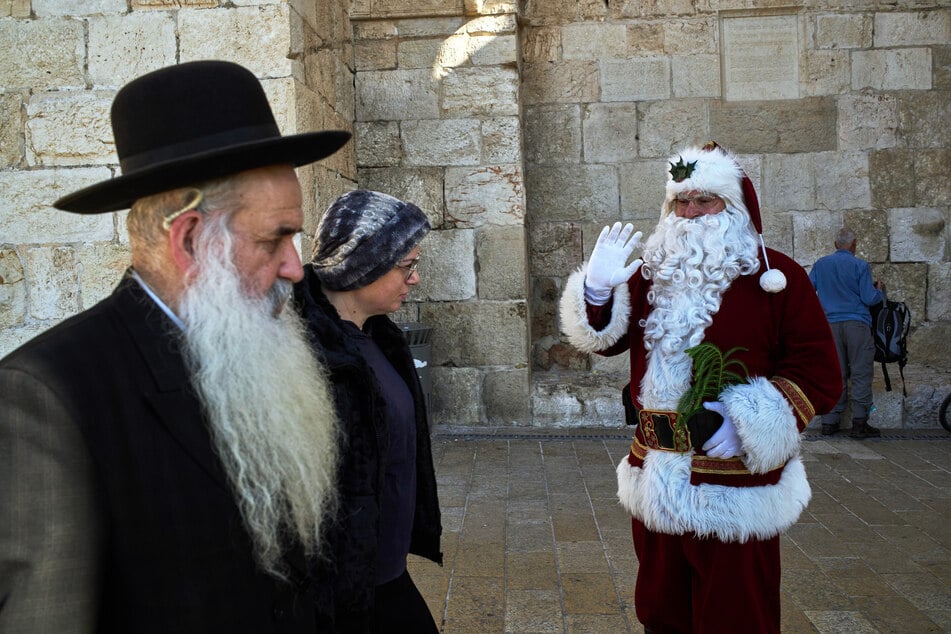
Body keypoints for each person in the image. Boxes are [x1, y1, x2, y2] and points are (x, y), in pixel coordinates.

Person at [0, 60, 351, 632]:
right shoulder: (48, 397)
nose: (295, 267)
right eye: (275, 239)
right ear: (189, 239)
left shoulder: (254, 353)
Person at [559, 142, 841, 632]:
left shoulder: (777, 277)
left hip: (736, 483)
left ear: (732, 207)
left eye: (703, 201)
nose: (689, 214)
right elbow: (605, 341)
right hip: (655, 474)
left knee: (736, 616)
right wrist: (598, 291)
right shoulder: (650, 274)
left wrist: (751, 422)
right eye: (679, 203)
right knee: (661, 612)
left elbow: (819, 372)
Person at [293, 190, 442, 633]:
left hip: (387, 569)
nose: (413, 279)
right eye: (406, 266)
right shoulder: (312, 354)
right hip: (350, 588)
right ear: (363, 266)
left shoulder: (380, 337)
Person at [809, 227, 886, 438]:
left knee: (835, 373)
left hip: (829, 326)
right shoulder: (860, 265)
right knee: (861, 372)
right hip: (856, 325)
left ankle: (829, 421)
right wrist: (879, 290)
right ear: (854, 245)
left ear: (835, 244)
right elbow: (869, 298)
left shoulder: (820, 264)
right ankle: (860, 423)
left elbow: (808, 291)